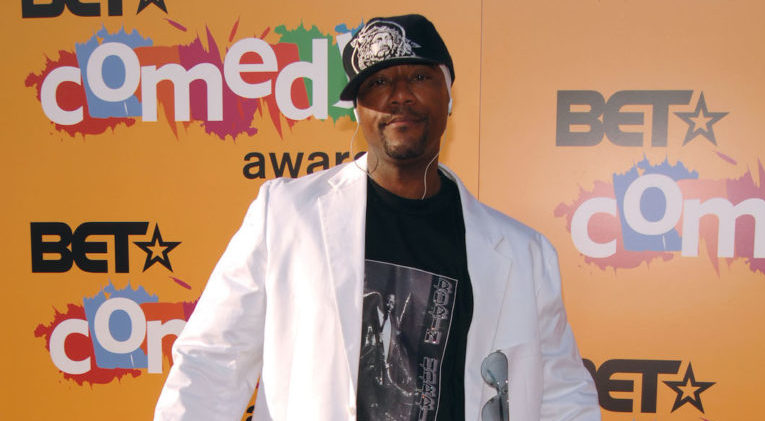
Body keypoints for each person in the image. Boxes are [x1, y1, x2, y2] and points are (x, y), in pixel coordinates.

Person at [155, 14, 600, 421]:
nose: (399, 95)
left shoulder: (523, 254)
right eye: (378, 83)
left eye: (419, 76)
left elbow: (562, 397)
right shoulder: (287, 216)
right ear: (359, 109)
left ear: (449, 97)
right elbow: (214, 360)